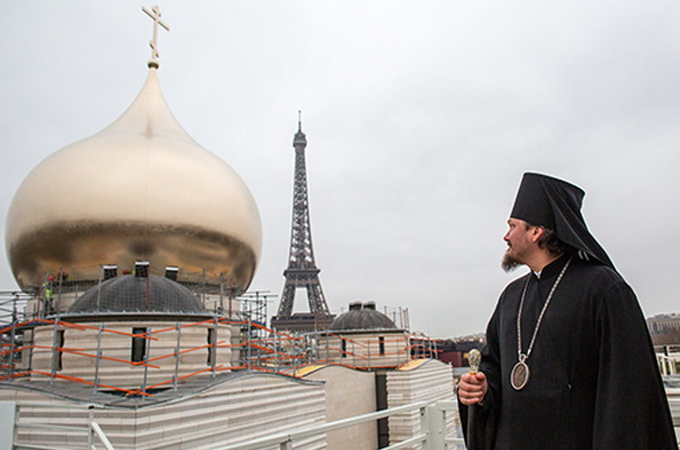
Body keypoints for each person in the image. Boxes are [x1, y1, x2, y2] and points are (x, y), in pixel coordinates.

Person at [457, 172, 677, 449]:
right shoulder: (511, 296)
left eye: (512, 226)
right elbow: (494, 366)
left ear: (536, 232)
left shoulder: (604, 289)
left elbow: (627, 397)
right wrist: (482, 389)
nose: (505, 235)